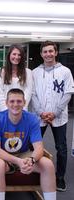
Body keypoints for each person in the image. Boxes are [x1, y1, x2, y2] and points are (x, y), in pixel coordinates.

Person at [0, 88, 56, 200]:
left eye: (19, 101)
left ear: (24, 102)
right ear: (6, 103)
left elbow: (39, 148)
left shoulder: (32, 118)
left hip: (23, 154)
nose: (15, 104)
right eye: (12, 101)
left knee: (47, 164)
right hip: (0, 156)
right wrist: (18, 162)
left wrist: (31, 160)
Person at [32, 40, 74, 192]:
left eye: (51, 51)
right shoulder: (35, 72)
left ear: (56, 52)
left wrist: (54, 113)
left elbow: (68, 93)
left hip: (59, 116)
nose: (48, 54)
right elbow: (33, 94)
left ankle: (60, 177)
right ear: (41, 54)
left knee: (61, 148)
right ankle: (32, 173)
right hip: (39, 116)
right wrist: (41, 113)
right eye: (45, 51)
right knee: (33, 146)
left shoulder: (65, 72)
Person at [0, 44, 33, 111]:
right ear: (9, 55)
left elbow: (28, 93)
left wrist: (20, 110)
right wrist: (7, 110)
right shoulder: (0, 71)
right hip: (3, 111)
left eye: (19, 55)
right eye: (14, 54)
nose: (17, 57)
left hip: (21, 111)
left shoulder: (28, 72)